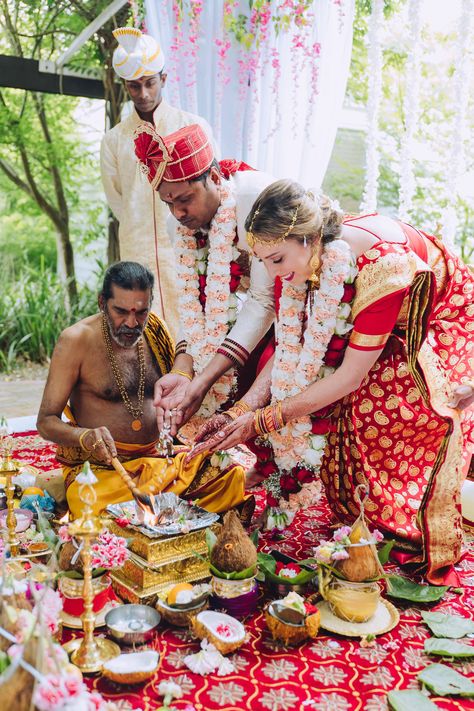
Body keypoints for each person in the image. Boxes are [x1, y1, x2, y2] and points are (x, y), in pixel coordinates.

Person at [190, 179, 474, 585]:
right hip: (377, 318)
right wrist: (241, 409)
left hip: (441, 316)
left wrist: (261, 422)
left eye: (277, 259)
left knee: (380, 402)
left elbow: (348, 376)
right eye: (263, 261)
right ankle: (357, 512)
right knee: (330, 400)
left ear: (308, 240)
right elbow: (293, 348)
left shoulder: (382, 268)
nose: (272, 273)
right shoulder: (309, 259)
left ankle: (403, 523)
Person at [36, 261, 247, 518]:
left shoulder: (155, 330)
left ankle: (157, 519)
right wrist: (85, 437)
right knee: (88, 501)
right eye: (121, 311)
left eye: (141, 312)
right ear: (102, 302)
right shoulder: (76, 340)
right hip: (106, 471)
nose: (132, 322)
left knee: (230, 476)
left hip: (159, 460)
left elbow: (177, 382)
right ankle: (170, 518)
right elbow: (46, 422)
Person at [133, 122, 276, 436]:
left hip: (317, 291)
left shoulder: (256, 200)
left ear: (213, 178)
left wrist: (204, 380)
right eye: (169, 203)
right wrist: (183, 372)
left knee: (272, 361)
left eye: (184, 198)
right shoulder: (180, 228)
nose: (178, 212)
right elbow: (193, 308)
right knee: (234, 359)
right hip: (267, 301)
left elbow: (264, 302)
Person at [100, 27, 217, 337]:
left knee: (194, 325)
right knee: (142, 331)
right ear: (125, 86)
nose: (144, 94)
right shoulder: (114, 140)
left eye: (150, 83)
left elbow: (213, 188)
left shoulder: (192, 126)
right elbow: (117, 200)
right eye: (134, 86)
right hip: (137, 249)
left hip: (187, 245)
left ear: (163, 79)